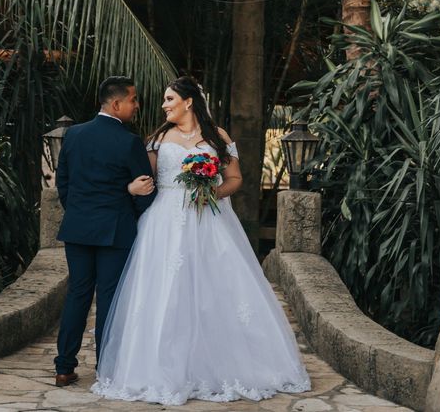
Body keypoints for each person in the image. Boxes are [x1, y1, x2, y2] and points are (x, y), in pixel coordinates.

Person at [91, 75, 311, 405]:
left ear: (188, 102)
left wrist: (212, 192)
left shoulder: (216, 137)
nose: (163, 105)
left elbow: (235, 178)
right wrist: (129, 190)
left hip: (208, 219)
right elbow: (143, 178)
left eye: (169, 99)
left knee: (216, 289)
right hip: (163, 221)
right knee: (164, 292)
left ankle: (222, 363)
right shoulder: (157, 138)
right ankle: (160, 367)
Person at [52, 76, 157, 387]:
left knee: (77, 295)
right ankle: (106, 370)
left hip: (78, 229)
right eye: (133, 100)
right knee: (110, 299)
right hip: (116, 231)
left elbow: (63, 184)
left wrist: (81, 212)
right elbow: (147, 192)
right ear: (116, 104)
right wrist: (127, 199)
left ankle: (63, 367)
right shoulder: (129, 142)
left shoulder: (74, 135)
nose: (137, 106)